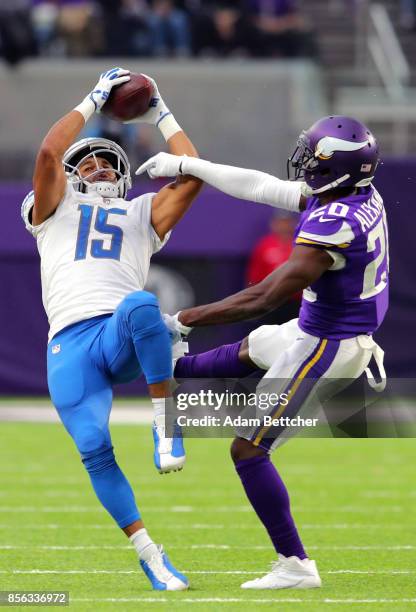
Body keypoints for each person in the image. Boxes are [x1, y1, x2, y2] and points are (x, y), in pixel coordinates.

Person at [137, 115, 388, 589]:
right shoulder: (355, 194)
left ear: (338, 167)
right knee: (255, 347)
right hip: (324, 328)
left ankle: (295, 564)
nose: (305, 162)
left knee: (248, 448)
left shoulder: (337, 222)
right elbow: (259, 186)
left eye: (315, 157)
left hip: (330, 346)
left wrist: (184, 318)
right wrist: (188, 163)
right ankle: (168, 367)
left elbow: (264, 297)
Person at [21, 67, 202, 590]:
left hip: (118, 331)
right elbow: (49, 156)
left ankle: (165, 424)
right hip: (69, 346)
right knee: (94, 446)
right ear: (75, 176)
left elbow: (193, 172)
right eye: (91, 161)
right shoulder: (53, 210)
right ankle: (150, 554)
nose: (100, 167)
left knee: (142, 305)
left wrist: (161, 109)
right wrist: (92, 100)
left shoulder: (141, 212)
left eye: (108, 161)